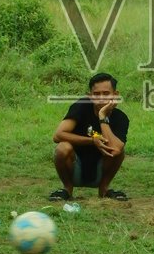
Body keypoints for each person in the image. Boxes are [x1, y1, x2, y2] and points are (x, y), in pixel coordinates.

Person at [50, 72, 129, 200]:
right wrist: (92, 140)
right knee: (62, 147)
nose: (101, 98)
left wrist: (102, 117)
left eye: (106, 94)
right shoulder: (81, 107)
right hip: (75, 166)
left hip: (101, 167)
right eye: (96, 94)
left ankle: (104, 189)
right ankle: (67, 190)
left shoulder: (121, 118)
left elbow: (116, 149)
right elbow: (58, 135)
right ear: (90, 96)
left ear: (115, 95)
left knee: (119, 151)